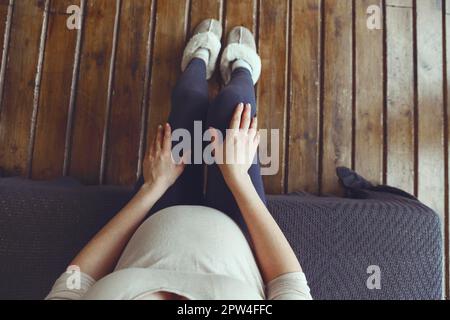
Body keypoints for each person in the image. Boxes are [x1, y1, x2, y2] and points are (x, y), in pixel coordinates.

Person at [46, 19, 312, 300]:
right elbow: (289, 285)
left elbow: (74, 283)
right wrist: (238, 177)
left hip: (157, 208)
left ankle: (198, 60)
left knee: (191, 98)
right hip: (237, 225)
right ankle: (242, 69)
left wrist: (152, 188)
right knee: (233, 103)